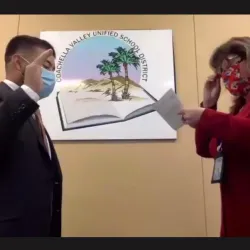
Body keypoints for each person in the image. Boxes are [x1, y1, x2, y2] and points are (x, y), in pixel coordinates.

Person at [179, 37, 250, 237]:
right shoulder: (240, 110)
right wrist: (209, 105)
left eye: (231, 66)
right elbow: (207, 149)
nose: (227, 76)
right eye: (221, 71)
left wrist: (207, 117)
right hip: (235, 217)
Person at [0, 35, 62, 237]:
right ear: (19, 62)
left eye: (53, 69)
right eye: (46, 66)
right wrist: (28, 93)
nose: (51, 75)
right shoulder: (16, 103)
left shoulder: (31, 111)